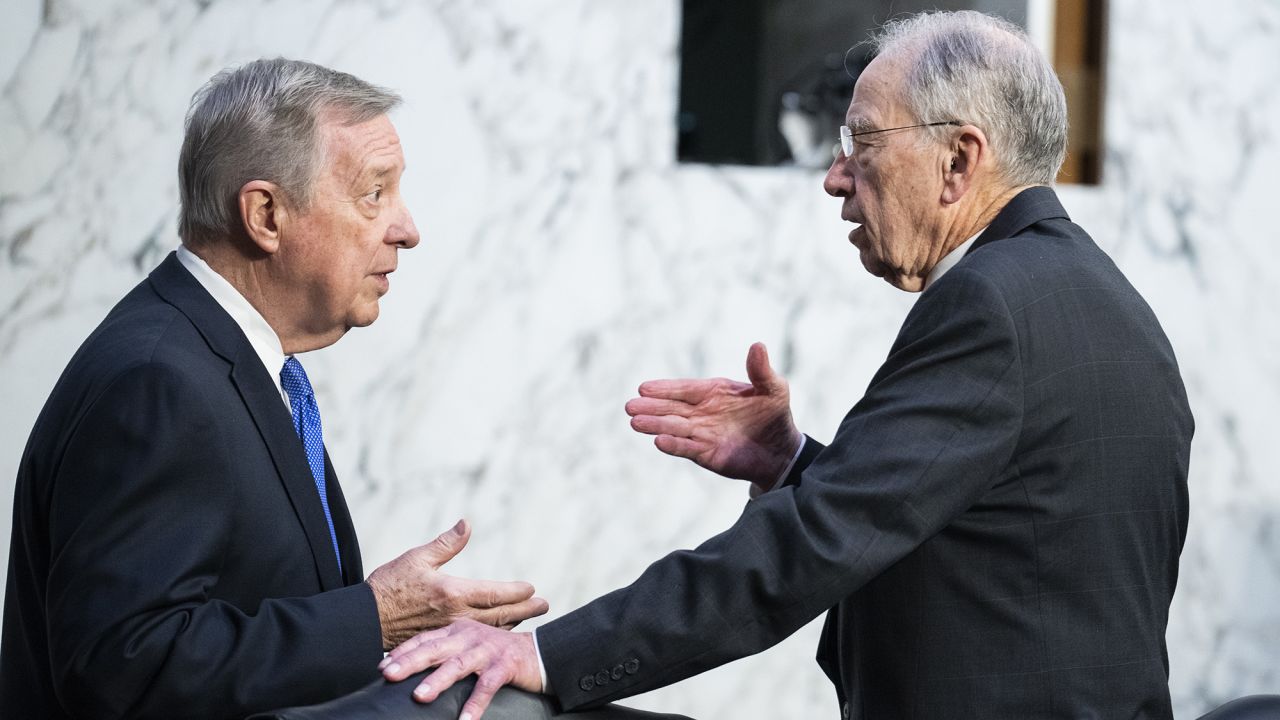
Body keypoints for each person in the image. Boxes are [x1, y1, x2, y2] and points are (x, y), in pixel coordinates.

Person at [376, 11, 1193, 720]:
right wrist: (793, 462)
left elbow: (809, 547)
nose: (835, 177)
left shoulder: (992, 308)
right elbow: (974, 539)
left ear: (958, 162)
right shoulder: (1096, 296)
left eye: (861, 141)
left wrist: (547, 657)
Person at [0, 58, 549, 720]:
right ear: (265, 214)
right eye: (374, 193)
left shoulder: (233, 360)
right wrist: (372, 619)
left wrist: (379, 627)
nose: (407, 228)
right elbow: (126, 668)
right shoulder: (158, 382)